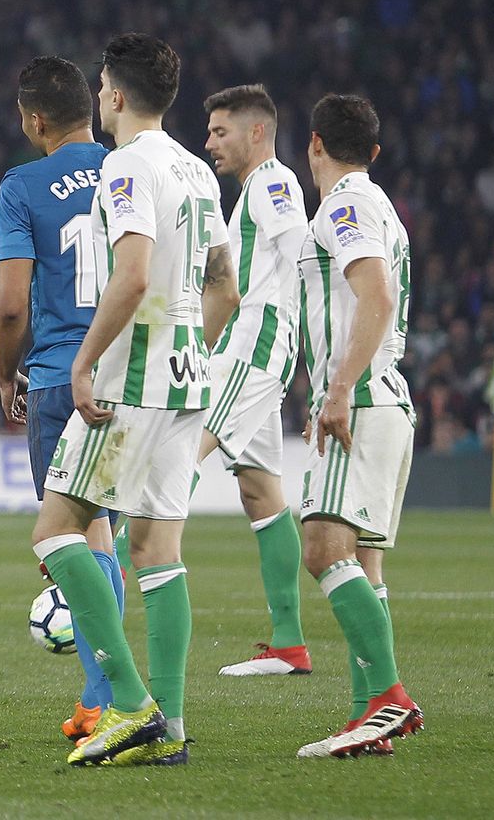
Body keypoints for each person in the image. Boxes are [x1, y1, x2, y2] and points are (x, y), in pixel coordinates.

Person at [31, 33, 238, 767]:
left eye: (101, 88)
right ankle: (172, 728)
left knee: (56, 531)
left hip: (132, 380)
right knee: (157, 549)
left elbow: (133, 274)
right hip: (188, 378)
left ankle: (127, 704)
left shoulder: (125, 167)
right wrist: (192, 354)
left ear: (113, 94)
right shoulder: (197, 171)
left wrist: (87, 364)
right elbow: (224, 285)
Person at [0, 55, 127, 742]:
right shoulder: (134, 170)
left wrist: (3, 370)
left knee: (65, 535)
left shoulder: (22, 186)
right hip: (136, 375)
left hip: (58, 376)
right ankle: (104, 698)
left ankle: (110, 698)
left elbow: (13, 304)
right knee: (108, 532)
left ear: (36, 119)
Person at [293, 93, 424, 759]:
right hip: (385, 400)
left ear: (314, 144)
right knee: (363, 565)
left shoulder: (345, 203)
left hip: (363, 400)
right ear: (373, 150)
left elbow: (375, 294)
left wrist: (338, 389)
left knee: (320, 548)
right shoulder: (376, 203)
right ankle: (367, 718)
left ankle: (387, 699)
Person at [196, 86, 313, 677]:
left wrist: (324, 370)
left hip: (255, 342)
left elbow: (303, 259)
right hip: (258, 345)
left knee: (180, 449)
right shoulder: (257, 190)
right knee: (260, 492)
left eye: (220, 132)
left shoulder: (272, 182)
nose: (210, 142)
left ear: (257, 132)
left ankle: (92, 567)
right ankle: (290, 645)